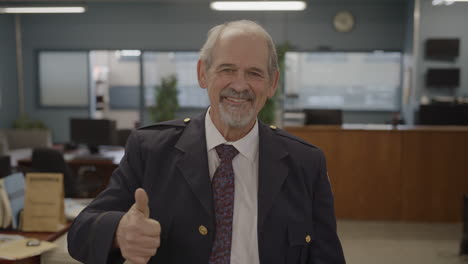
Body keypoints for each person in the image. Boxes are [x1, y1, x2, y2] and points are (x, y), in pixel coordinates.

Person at [67, 20, 345, 264]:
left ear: (272, 83)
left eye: (254, 73)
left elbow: (326, 257)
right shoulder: (150, 150)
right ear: (202, 73)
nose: (239, 85)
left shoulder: (306, 163)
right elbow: (80, 234)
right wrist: (119, 232)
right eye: (227, 69)